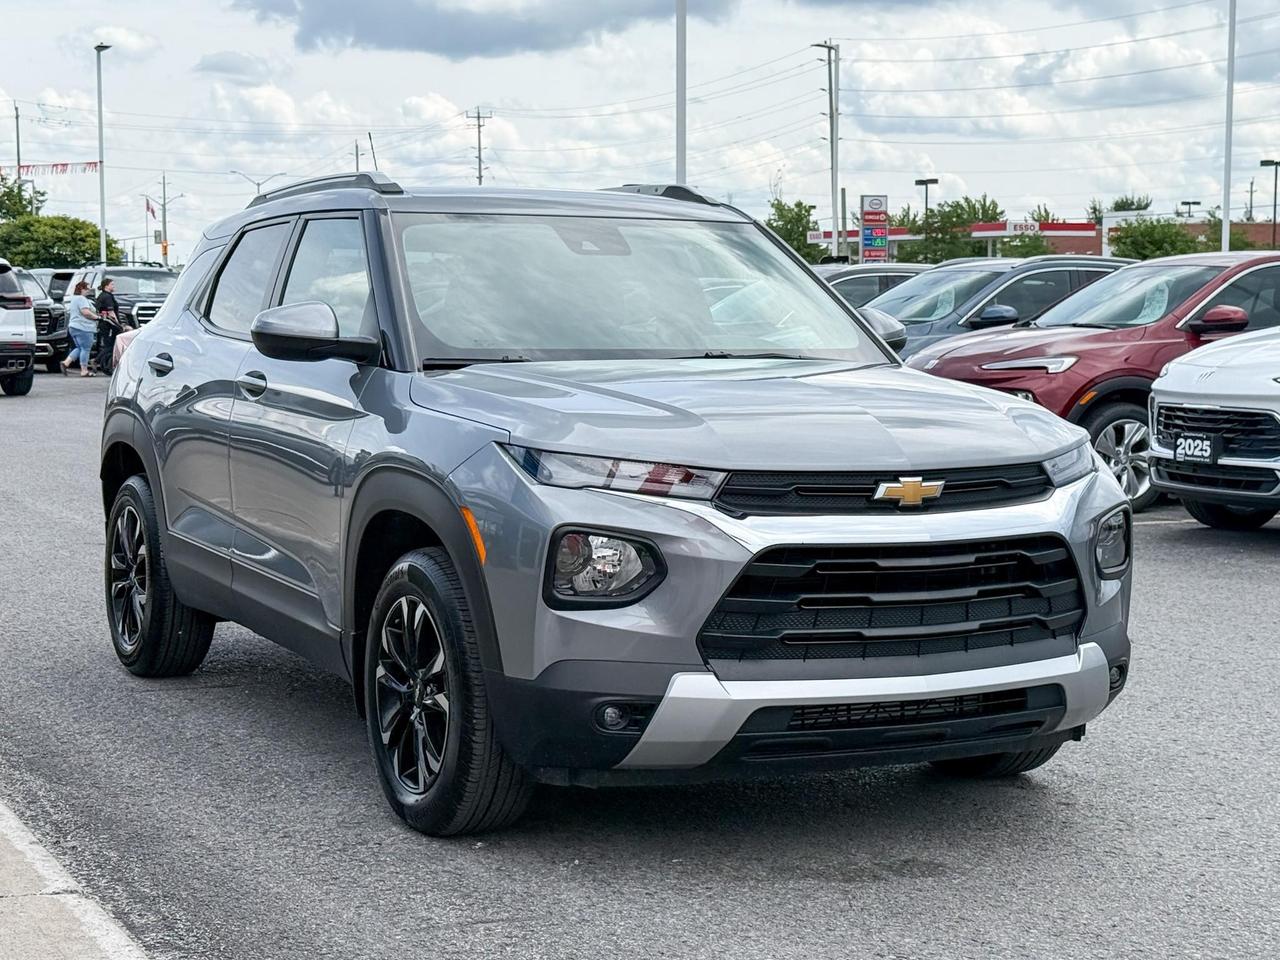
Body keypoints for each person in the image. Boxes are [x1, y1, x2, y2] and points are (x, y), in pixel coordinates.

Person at [62, 281, 100, 377]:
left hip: (73, 327)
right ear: (82, 289)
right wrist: (97, 317)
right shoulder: (82, 299)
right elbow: (85, 312)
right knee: (86, 349)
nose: (89, 291)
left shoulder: (74, 299)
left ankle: (66, 363)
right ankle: (84, 370)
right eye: (87, 289)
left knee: (79, 348)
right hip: (84, 327)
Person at [95, 277, 123, 375]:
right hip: (109, 325)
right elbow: (111, 312)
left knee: (109, 345)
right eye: (112, 284)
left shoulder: (102, 295)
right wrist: (119, 325)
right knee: (110, 345)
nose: (114, 286)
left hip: (104, 324)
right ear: (106, 286)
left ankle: (100, 361)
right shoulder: (107, 297)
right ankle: (97, 361)